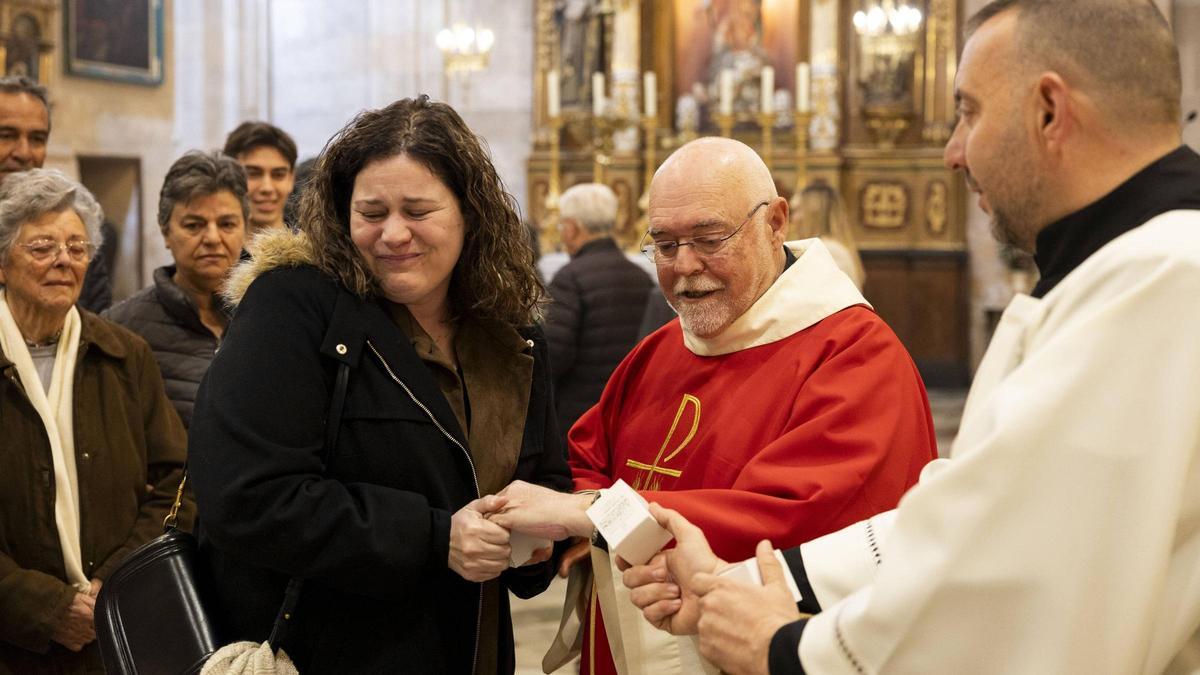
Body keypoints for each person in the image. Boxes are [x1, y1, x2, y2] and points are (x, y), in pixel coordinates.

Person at [623, 2, 1200, 673]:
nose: (954, 151)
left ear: (1049, 110)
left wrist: (785, 649)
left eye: (970, 111)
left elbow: (1018, 592)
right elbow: (973, 517)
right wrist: (746, 584)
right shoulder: (1129, 270)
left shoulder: (1157, 281)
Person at [489, 137, 938, 674]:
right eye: (663, 244)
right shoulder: (657, 353)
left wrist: (596, 516)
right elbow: (588, 458)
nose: (684, 266)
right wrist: (562, 530)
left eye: (709, 237)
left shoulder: (856, 357)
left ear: (776, 223)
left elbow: (793, 524)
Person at [188, 95, 572, 673]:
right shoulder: (291, 307)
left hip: (471, 649)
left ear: (470, 214)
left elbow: (540, 474)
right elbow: (246, 497)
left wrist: (536, 545)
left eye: (417, 210)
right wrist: (434, 537)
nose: (393, 234)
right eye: (371, 213)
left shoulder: (510, 331)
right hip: (329, 651)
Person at [0, 169, 192, 673]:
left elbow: (179, 481)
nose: (64, 260)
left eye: (77, 247)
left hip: (111, 635)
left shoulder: (125, 355)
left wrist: (113, 584)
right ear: (2, 262)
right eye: (42, 246)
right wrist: (45, 607)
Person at [103, 151, 248, 427]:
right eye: (194, 225)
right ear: (166, 232)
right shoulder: (119, 330)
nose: (213, 238)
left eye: (227, 224)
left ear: (245, 228)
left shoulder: (272, 315)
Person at [545, 182, 653, 447]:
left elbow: (553, 355)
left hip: (579, 417)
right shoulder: (641, 276)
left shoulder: (570, 278)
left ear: (572, 228)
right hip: (627, 409)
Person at [0, 76, 112, 313]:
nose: (23, 152)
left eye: (37, 139)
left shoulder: (77, 231)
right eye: (6, 135)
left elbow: (97, 329)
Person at [222, 120, 297, 235]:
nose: (267, 188)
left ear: (291, 179)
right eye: (253, 174)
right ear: (227, 176)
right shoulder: (211, 249)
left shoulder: (316, 250)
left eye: (278, 175)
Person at [790, 181, 865, 290]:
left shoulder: (829, 250)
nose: (793, 219)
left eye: (797, 210)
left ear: (813, 213)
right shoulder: (827, 247)